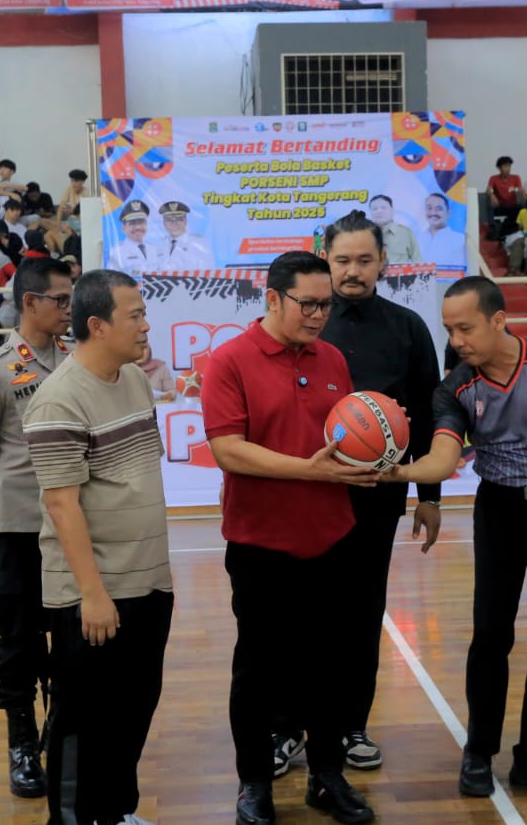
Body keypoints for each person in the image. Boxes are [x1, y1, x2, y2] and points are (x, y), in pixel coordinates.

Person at [380, 274, 527, 803]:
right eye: (450, 330)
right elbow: (444, 458)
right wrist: (392, 472)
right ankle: (479, 752)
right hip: (498, 513)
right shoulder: (455, 386)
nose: (457, 341)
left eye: (466, 328)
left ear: (500, 320)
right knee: (491, 635)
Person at [201, 252, 380, 825]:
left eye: (327, 304)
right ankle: (253, 784)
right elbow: (228, 449)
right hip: (261, 545)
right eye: (309, 304)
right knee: (259, 669)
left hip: (333, 538)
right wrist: (312, 470)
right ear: (273, 298)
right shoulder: (229, 361)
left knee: (331, 665)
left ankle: (327, 779)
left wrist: (377, 455)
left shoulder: (331, 359)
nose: (320, 315)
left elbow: (348, 436)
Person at [266, 211, 442, 779]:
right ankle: (288, 728)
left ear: (383, 263)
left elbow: (430, 413)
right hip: (308, 497)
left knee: (361, 615)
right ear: (325, 260)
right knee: (297, 616)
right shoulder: (304, 326)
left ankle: (349, 726)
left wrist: (429, 494)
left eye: (365, 260)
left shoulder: (408, 327)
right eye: (342, 260)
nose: (352, 271)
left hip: (375, 497)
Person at [22, 269, 174, 825]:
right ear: (97, 324)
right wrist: (92, 594)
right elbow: (62, 506)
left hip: (150, 580)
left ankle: (115, 811)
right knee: (83, 719)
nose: (144, 324)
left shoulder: (132, 379)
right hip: (96, 592)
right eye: (134, 315)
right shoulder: (58, 400)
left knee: (133, 710)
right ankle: (72, 819)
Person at [0, 260, 74, 799]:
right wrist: (17, 496)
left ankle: (63, 732)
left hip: (74, 526)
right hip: (23, 527)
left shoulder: (79, 360)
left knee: (74, 634)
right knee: (19, 641)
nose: (69, 309)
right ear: (29, 303)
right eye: (59, 299)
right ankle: (22, 743)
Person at [108, 200, 159, 277]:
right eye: (132, 223)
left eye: (141, 222)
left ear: (146, 224)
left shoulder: (154, 249)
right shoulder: (118, 252)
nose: (138, 227)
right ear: (124, 228)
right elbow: (113, 280)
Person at [156, 201, 212, 270]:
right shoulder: (159, 245)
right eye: (169, 220)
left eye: (179, 219)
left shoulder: (199, 244)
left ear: (185, 221)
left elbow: (208, 273)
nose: (174, 223)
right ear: (164, 223)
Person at [367, 194, 420, 263]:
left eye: (383, 208)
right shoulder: (364, 235)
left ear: (392, 210)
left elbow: (417, 262)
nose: (379, 211)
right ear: (370, 212)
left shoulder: (406, 233)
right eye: (375, 209)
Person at [416, 193, 466, 265]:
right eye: (429, 208)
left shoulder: (460, 240)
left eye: (439, 209)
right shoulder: (417, 239)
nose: (433, 213)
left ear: (448, 213)